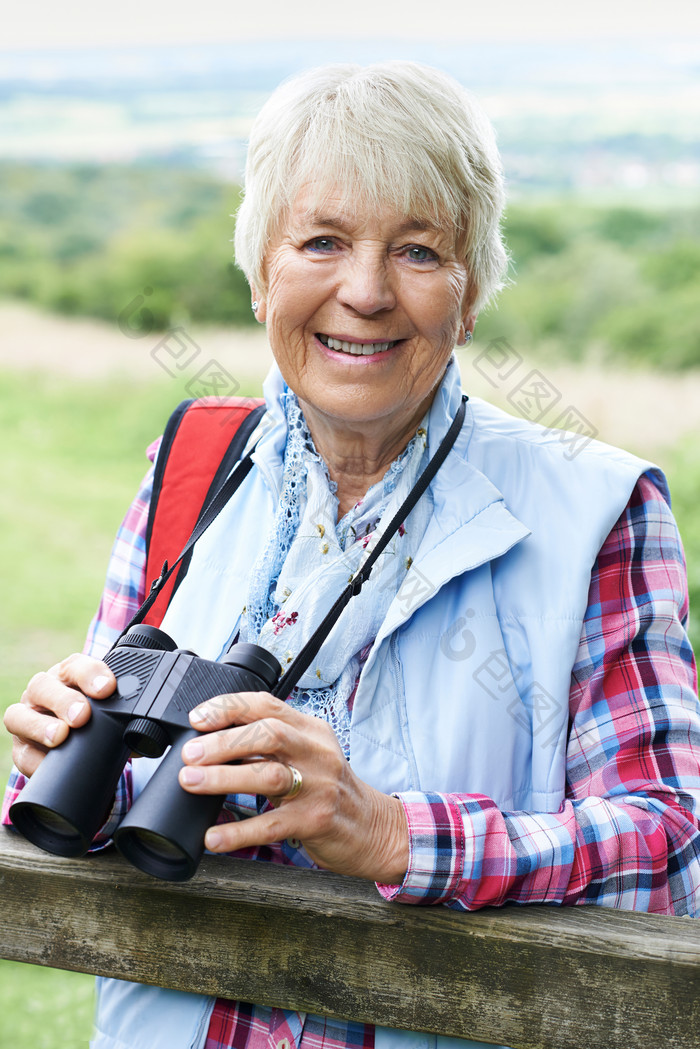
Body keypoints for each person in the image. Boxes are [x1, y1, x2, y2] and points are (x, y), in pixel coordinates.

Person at [3, 61, 700, 1049]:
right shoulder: (192, 461)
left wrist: (389, 831)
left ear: (468, 296)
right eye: (321, 241)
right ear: (261, 274)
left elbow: (665, 843)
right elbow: (107, 819)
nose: (364, 292)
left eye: (417, 251)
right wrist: (67, 751)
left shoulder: (597, 509)